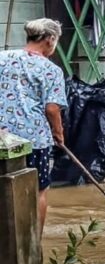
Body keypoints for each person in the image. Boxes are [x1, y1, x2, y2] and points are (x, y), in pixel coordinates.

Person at [0, 18, 67, 230]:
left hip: (2, 138)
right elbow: (52, 109)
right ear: (50, 40)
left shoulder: (2, 58)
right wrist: (58, 133)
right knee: (38, 191)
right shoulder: (52, 70)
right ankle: (33, 245)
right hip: (35, 140)